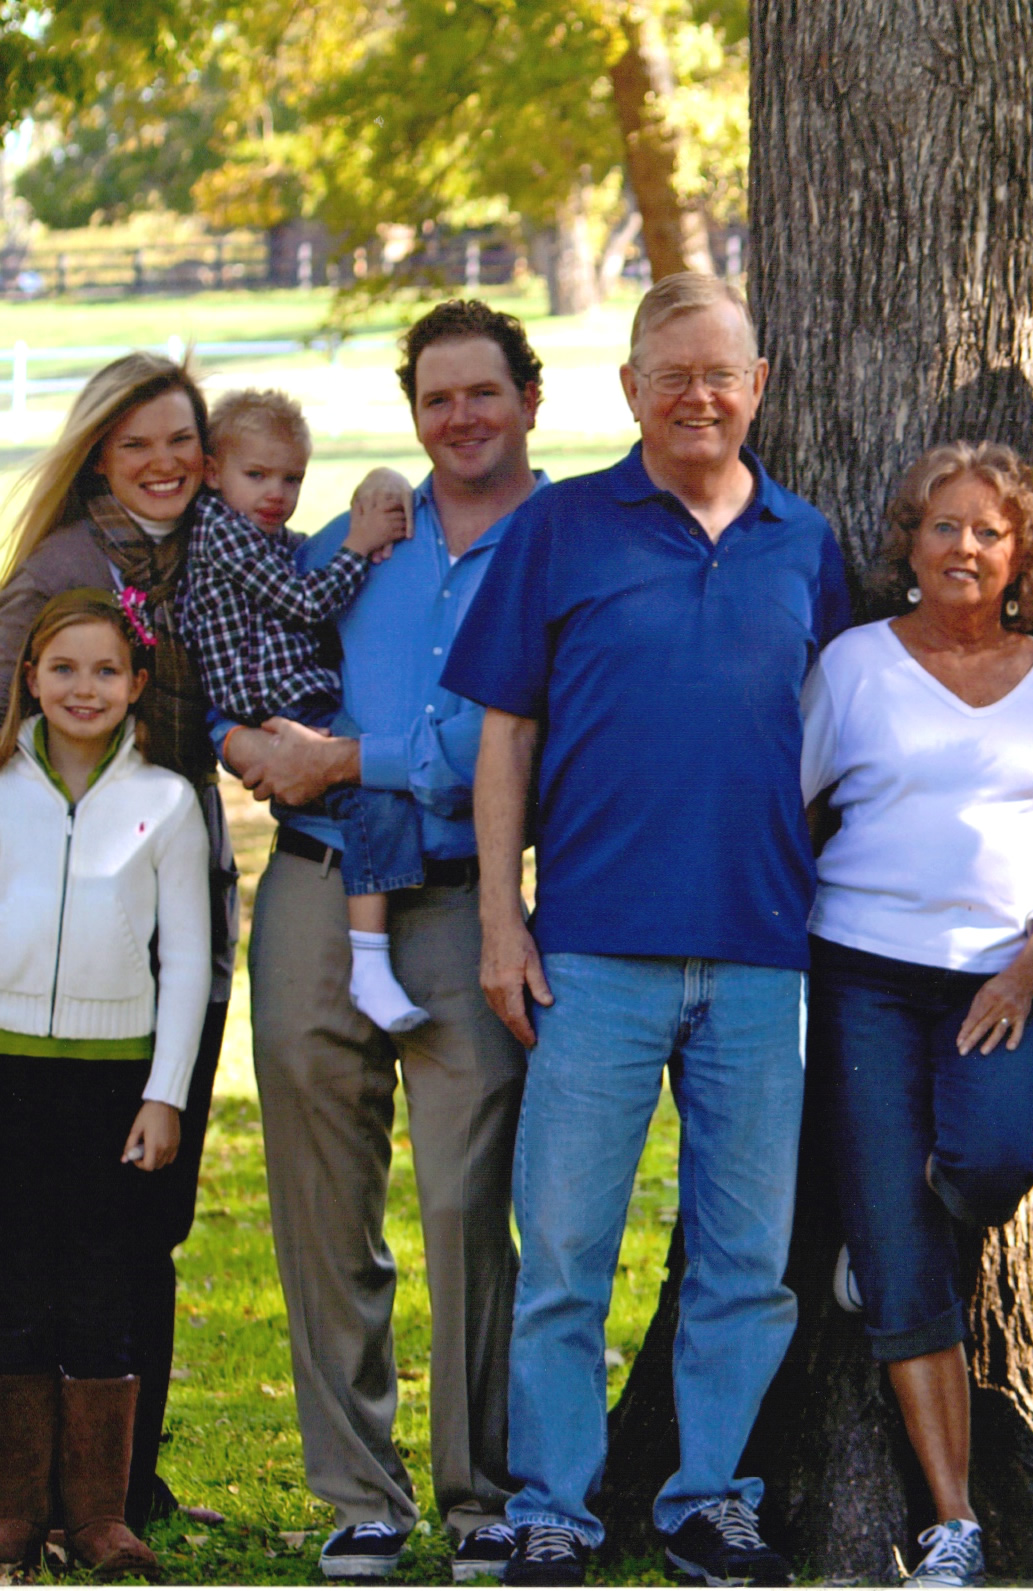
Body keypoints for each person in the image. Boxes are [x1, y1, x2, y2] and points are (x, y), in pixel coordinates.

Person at [443, 272, 851, 1589]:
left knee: (747, 1254)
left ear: (759, 385)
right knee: (563, 1246)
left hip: (759, 953)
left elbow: (842, 740)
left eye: (719, 372)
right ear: (628, 388)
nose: (696, 395)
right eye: (670, 373)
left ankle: (709, 1499)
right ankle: (552, 1504)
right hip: (595, 952)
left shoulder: (806, 540)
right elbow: (504, 732)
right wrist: (503, 920)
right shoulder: (562, 526)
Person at [221, 300, 548, 1583]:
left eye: (483, 392)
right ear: (414, 412)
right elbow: (256, 657)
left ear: (527, 397)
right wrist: (240, 742)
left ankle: (478, 1496)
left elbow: (540, 734)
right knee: (321, 1200)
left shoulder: (564, 545)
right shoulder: (364, 537)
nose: (460, 417)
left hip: (471, 898)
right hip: (313, 891)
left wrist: (359, 758)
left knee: (470, 1200)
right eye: (436, 397)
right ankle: (358, 1490)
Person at [804, 440, 1033, 1589]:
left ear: (1022, 551)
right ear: (908, 545)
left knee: (987, 1166)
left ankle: (887, 1239)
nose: (964, 548)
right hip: (863, 973)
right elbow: (786, 805)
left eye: (988, 530)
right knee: (902, 1264)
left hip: (1000, 978)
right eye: (942, 527)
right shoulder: (853, 667)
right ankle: (951, 1520)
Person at [0, 352, 236, 1535]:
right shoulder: (59, 574)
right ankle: (31, 1497)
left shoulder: (217, 549)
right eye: (137, 442)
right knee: (33, 1236)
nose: (163, 462)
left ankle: (121, 1489)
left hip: (181, 895)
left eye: (181, 440)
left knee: (149, 1213)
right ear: (99, 451)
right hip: (51, 954)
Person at [0, 590, 209, 1580]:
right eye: (63, 668)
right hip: (7, 1076)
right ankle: (12, 1510)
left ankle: (98, 1516)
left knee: (100, 1285)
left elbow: (191, 965)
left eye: (105, 670)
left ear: (135, 685)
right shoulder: (0, 787)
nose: (84, 688)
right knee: (13, 1284)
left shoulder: (165, 801)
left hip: (113, 1085)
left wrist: (165, 1092)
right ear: (30, 677)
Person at [182, 389, 431, 1033]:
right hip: (274, 702)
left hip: (282, 694)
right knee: (372, 786)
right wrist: (359, 545)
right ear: (213, 472)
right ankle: (370, 964)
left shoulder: (249, 533)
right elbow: (305, 601)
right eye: (257, 475)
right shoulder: (221, 534)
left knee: (369, 789)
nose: (277, 493)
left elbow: (298, 555)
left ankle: (373, 958)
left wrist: (368, 512)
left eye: (292, 479)